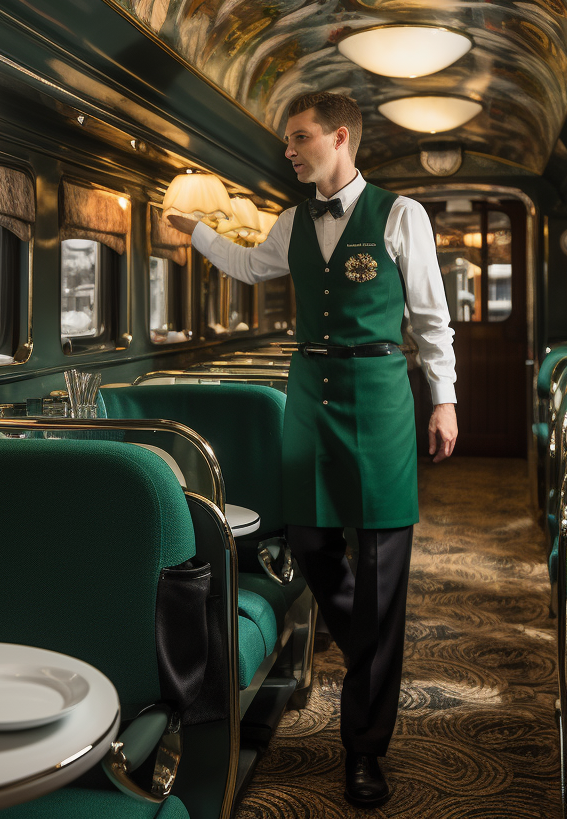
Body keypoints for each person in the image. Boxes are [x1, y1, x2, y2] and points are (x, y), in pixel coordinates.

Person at [167, 91, 457, 808]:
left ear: (339, 137)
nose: (289, 152)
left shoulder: (400, 214)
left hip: (382, 387)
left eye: (299, 139)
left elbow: (431, 315)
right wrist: (196, 231)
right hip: (310, 387)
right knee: (307, 538)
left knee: (384, 567)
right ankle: (372, 650)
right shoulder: (293, 220)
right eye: (287, 141)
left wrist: (445, 397)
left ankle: (364, 750)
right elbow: (247, 265)